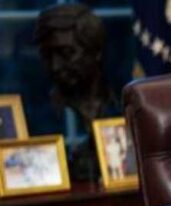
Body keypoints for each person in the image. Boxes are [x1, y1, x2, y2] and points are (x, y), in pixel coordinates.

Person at [34, 4, 120, 181]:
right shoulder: (38, 114)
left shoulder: (122, 104)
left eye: (66, 53)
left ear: (96, 51)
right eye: (47, 56)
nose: (55, 66)